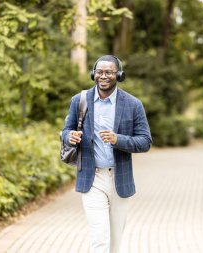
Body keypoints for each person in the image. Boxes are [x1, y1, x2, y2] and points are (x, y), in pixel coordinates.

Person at [62, 55, 152, 253]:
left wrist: (117, 139)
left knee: (114, 243)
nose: (104, 76)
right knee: (100, 238)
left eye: (109, 72)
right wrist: (71, 136)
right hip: (92, 179)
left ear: (118, 75)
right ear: (94, 74)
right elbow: (65, 131)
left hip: (119, 179)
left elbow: (145, 141)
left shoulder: (133, 104)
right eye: (100, 72)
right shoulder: (80, 100)